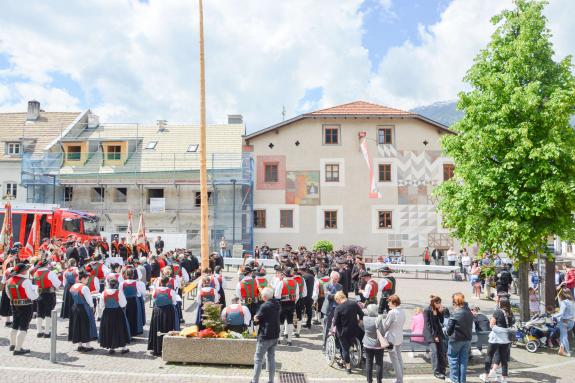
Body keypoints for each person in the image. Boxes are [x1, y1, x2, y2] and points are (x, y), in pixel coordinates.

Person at [5, 263, 39, 355]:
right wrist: (36, 292)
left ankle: (12, 345)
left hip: (14, 304)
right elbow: (32, 296)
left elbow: (8, 294)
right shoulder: (25, 281)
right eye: (25, 269)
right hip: (26, 305)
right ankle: (18, 349)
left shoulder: (9, 280)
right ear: (22, 271)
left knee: (15, 324)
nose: (26, 271)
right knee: (24, 326)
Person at [479, 296, 514, 383]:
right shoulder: (510, 313)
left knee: (489, 355)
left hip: (495, 338)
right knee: (504, 358)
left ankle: (486, 376)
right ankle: (504, 378)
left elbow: (491, 325)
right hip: (505, 339)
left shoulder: (497, 312)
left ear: (500, 303)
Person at [250, 287, 280, 383]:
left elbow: (257, 320)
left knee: (258, 359)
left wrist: (255, 318)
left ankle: (255, 381)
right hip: (275, 334)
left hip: (265, 335)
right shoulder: (277, 304)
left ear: (264, 296)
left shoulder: (264, 306)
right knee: (271, 358)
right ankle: (271, 380)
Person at [332, 291, 364, 374]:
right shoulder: (354, 304)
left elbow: (335, 322)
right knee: (350, 344)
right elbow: (361, 314)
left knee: (344, 349)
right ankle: (346, 355)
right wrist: (359, 321)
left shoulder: (338, 308)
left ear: (338, 299)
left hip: (343, 332)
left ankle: (348, 368)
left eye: (336, 300)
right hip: (354, 330)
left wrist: (332, 326)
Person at [148, 276, 179, 356]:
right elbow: (174, 302)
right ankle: (168, 348)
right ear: (168, 282)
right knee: (167, 328)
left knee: (157, 328)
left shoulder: (155, 290)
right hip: (168, 311)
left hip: (157, 311)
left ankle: (156, 348)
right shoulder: (171, 291)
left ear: (160, 282)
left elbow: (154, 300)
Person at [446, 293, 474, 383]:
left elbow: (449, 330)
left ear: (455, 302)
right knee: (463, 361)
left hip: (456, 339)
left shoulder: (456, 312)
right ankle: (462, 380)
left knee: (453, 359)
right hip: (467, 339)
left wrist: (445, 331)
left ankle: (454, 380)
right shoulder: (469, 311)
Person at [68, 269, 98, 352]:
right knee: (86, 325)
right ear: (83, 278)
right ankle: (88, 345)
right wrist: (92, 306)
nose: (87, 280)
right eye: (87, 279)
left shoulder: (73, 286)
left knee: (77, 326)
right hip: (84, 308)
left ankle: (80, 344)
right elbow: (89, 300)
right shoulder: (84, 287)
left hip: (75, 307)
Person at [98, 278, 130, 354]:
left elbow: (101, 305)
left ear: (108, 284)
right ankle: (123, 347)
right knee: (120, 329)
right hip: (117, 312)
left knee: (109, 329)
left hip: (107, 313)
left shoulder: (104, 293)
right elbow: (123, 304)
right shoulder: (119, 292)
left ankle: (111, 347)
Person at [32, 258, 62, 337]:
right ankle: (46, 332)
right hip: (49, 294)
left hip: (39, 294)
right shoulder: (50, 273)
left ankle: (39, 331)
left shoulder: (35, 273)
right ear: (46, 264)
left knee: (39, 313)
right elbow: (58, 284)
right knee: (48, 313)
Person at [382, 294, 406, 383]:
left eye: (389, 302)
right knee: (399, 358)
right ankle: (400, 378)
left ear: (394, 303)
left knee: (395, 361)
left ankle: (399, 380)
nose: (388, 304)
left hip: (392, 338)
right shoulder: (402, 311)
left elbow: (385, 326)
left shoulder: (392, 312)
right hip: (399, 336)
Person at [274, 268, 299, 346]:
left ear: (284, 275)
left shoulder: (281, 282)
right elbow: (297, 296)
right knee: (290, 321)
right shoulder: (295, 282)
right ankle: (289, 340)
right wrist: (293, 301)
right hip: (292, 303)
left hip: (282, 303)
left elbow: (277, 295)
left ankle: (278, 339)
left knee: (281, 321)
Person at [424, 295, 446, 380]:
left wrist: (441, 312)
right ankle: (436, 371)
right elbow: (428, 325)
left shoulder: (437, 309)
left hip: (438, 333)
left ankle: (442, 370)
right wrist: (434, 336)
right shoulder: (427, 310)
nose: (439, 304)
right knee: (434, 352)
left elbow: (441, 321)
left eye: (440, 302)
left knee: (441, 351)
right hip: (431, 334)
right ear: (433, 302)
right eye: (438, 303)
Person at [321, 271, 343, 350]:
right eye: (335, 279)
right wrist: (337, 295)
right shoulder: (326, 285)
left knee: (337, 326)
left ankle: (336, 343)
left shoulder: (340, 286)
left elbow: (341, 297)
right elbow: (328, 296)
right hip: (328, 309)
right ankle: (324, 344)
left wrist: (335, 295)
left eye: (338, 279)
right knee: (327, 326)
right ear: (331, 278)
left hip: (337, 308)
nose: (337, 280)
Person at [363, 304, 384, 383]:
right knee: (378, 363)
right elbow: (382, 332)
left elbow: (364, 312)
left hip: (367, 344)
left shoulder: (365, 318)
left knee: (369, 363)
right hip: (378, 344)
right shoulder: (378, 320)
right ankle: (379, 380)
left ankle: (369, 380)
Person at [122, 268, 145, 336]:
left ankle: (126, 331)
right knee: (134, 316)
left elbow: (121, 293)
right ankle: (134, 332)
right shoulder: (136, 283)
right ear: (133, 275)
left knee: (126, 316)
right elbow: (139, 293)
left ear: (126, 275)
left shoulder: (122, 283)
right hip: (134, 301)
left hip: (125, 301)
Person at [555, 288, 575, 357]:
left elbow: (561, 313)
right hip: (571, 322)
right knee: (562, 336)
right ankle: (561, 350)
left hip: (564, 321)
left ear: (562, 294)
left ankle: (567, 351)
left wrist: (553, 316)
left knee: (564, 337)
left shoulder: (564, 302)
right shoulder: (573, 302)